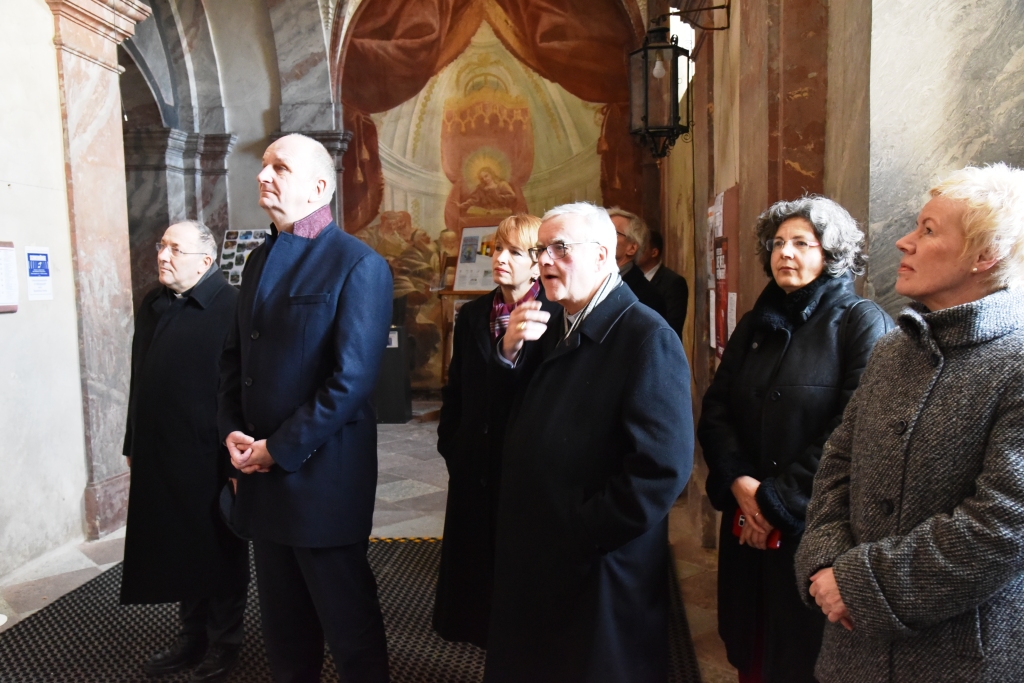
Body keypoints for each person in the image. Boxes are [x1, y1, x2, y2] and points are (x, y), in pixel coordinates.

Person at [795, 164, 1024, 682]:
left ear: (985, 255)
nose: (904, 241)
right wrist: (826, 561)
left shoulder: (1017, 362)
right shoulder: (894, 349)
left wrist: (861, 585)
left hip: (961, 656)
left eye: (928, 230)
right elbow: (839, 462)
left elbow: (1005, 524)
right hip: (852, 648)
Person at [483, 202, 694, 682]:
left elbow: (661, 469)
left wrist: (582, 530)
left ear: (603, 255)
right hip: (542, 552)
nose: (544, 261)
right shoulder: (554, 322)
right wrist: (507, 353)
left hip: (595, 564)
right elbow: (517, 417)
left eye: (560, 248)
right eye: (541, 250)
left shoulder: (645, 337)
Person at [217, 134, 393, 683]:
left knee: (349, 630)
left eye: (280, 167)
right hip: (262, 474)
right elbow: (235, 359)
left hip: (322, 477)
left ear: (319, 187)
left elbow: (351, 381)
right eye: (263, 165)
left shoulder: (358, 264)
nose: (263, 175)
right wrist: (233, 432)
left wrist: (279, 448)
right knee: (285, 631)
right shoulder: (258, 260)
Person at [697, 196, 893, 682]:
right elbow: (716, 409)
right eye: (778, 243)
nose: (785, 253)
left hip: (811, 527)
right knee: (751, 649)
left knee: (801, 659)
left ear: (832, 253)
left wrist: (773, 503)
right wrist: (741, 484)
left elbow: (854, 429)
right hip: (746, 522)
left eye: (802, 243)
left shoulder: (860, 321)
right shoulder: (755, 323)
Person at [121, 220, 249, 683]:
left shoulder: (232, 306)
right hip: (162, 451)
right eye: (162, 246)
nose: (162, 255)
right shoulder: (153, 304)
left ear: (206, 261)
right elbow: (140, 377)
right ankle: (191, 637)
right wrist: (133, 440)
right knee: (179, 547)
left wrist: (239, 461)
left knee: (219, 548)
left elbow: (243, 388)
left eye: (176, 249)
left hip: (212, 453)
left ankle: (225, 643)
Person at [434, 214, 559, 648]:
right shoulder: (474, 313)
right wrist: (453, 443)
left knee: (520, 570)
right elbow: (456, 388)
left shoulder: (556, 315)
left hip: (525, 464)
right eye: (497, 249)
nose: (500, 259)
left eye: (515, 252)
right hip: (474, 459)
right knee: (475, 569)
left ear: (538, 262)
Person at [606, 207, 667, 319]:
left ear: (632, 248)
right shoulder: (587, 283)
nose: (600, 237)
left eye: (611, 232)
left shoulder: (646, 297)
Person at [638, 230, 689, 338]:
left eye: (641, 247)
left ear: (654, 252)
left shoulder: (674, 282)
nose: (635, 250)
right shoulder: (633, 279)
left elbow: (673, 325)